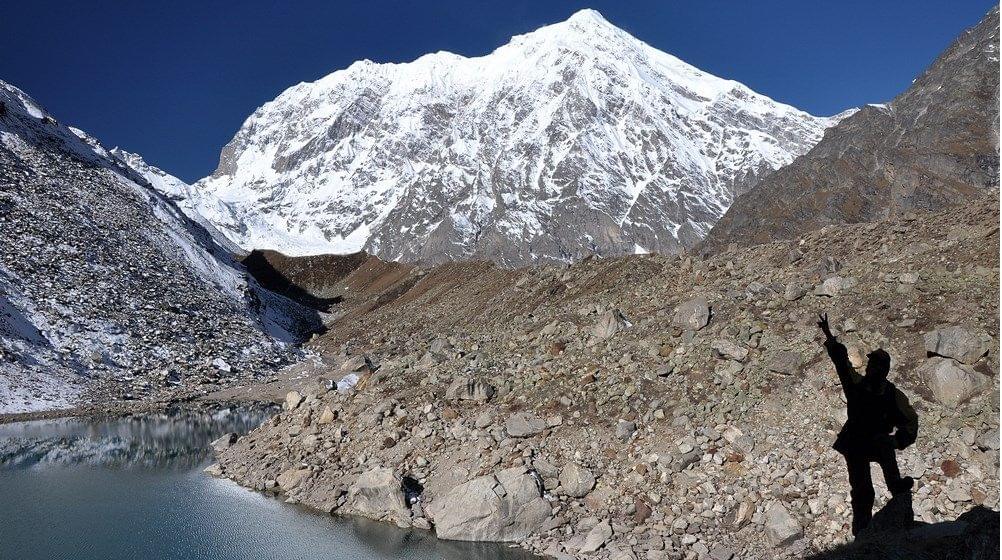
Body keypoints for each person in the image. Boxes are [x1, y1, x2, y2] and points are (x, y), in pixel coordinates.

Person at [817, 313, 918, 536]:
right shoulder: (859, 385)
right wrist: (829, 336)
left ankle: (898, 510)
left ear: (883, 370)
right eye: (871, 365)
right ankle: (861, 532)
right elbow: (841, 362)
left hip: (875, 441)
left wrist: (896, 441)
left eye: (875, 366)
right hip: (856, 442)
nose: (871, 369)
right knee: (863, 491)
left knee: (892, 480)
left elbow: (910, 422)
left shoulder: (891, 395)